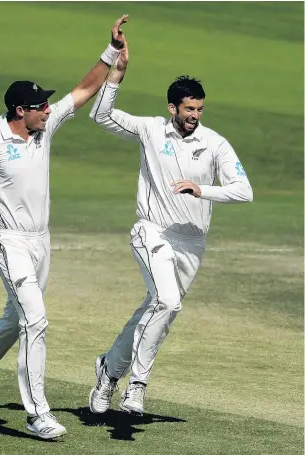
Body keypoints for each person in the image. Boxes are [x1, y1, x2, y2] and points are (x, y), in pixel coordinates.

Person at [0, 15, 129, 440]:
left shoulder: (44, 127)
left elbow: (82, 90)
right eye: (40, 105)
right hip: (8, 242)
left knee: (15, 316)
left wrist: (111, 51)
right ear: (20, 111)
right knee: (35, 320)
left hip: (41, 242)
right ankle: (36, 413)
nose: (48, 109)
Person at [88, 39, 253, 416]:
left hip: (192, 243)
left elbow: (244, 191)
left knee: (158, 311)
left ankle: (108, 371)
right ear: (172, 108)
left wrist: (202, 189)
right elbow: (101, 116)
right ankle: (136, 386)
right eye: (189, 108)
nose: (195, 114)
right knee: (167, 301)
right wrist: (118, 72)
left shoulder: (215, 144)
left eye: (199, 108)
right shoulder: (151, 131)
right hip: (153, 231)